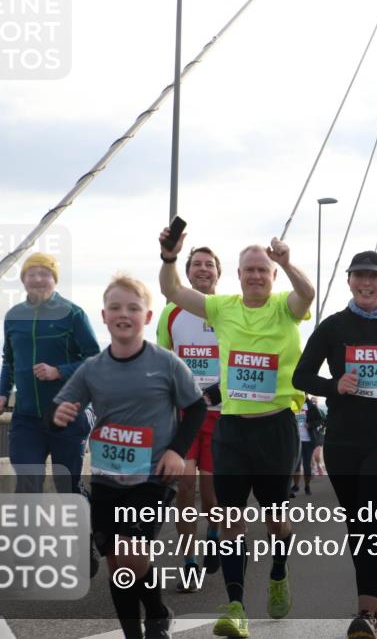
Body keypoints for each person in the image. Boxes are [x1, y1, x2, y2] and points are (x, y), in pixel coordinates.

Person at [159, 227, 314, 637]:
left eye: (263, 270)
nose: (256, 276)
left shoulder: (286, 306)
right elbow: (172, 291)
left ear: (273, 275)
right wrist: (169, 256)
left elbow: (308, 293)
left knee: (276, 521)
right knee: (230, 519)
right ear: (240, 274)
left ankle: (279, 570)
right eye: (249, 270)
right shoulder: (222, 306)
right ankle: (236, 604)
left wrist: (286, 261)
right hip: (232, 428)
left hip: (276, 428)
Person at [53, 274, 207, 639]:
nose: (124, 314)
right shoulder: (93, 368)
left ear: (148, 317)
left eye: (133, 308)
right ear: (104, 316)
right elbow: (63, 407)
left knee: (131, 551)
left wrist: (176, 451)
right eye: (116, 308)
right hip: (108, 477)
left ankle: (154, 613)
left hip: (153, 476)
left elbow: (197, 409)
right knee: (117, 562)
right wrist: (58, 416)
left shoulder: (166, 363)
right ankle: (141, 627)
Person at [293, 250, 377, 639]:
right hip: (344, 442)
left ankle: (367, 612)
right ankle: (369, 606)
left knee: (371, 519)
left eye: (375, 277)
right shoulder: (333, 328)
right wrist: (334, 385)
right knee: (357, 524)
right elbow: (301, 377)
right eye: (360, 276)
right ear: (349, 280)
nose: (367, 283)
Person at [0, 252, 100, 494]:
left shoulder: (73, 314)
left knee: (67, 486)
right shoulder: (13, 317)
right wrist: (2, 393)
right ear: (23, 280)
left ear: (55, 279)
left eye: (45, 274)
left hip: (68, 414)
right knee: (27, 483)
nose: (38, 279)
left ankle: (87, 529)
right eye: (32, 274)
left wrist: (58, 371)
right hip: (27, 417)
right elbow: (8, 361)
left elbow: (94, 359)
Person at [156, 246, 224, 591]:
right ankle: (189, 563)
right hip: (184, 416)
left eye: (209, 265)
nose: (202, 269)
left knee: (211, 497)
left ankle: (213, 533)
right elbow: (162, 362)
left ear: (218, 273)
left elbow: (240, 362)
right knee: (184, 488)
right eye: (196, 264)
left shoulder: (229, 312)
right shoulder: (171, 312)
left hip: (218, 416)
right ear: (187, 271)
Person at [291, 395, 322, 496]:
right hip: (295, 439)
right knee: (295, 465)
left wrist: (310, 425)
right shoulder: (292, 404)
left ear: (306, 394)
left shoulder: (311, 407)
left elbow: (320, 421)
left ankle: (307, 486)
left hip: (308, 440)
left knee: (307, 465)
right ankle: (295, 485)